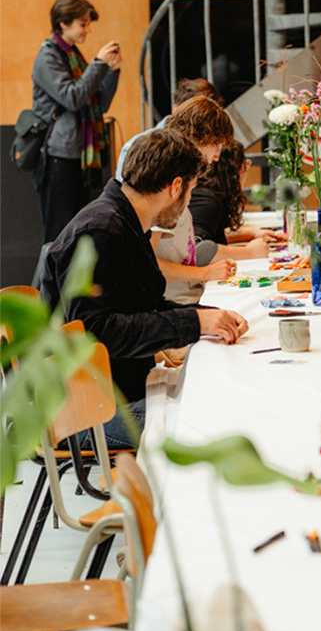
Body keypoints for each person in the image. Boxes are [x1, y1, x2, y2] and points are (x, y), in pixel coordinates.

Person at [38, 129, 249, 447]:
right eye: (190, 190)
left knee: (221, 396)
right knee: (214, 418)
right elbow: (95, 333)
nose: (189, 201)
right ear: (176, 187)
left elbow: (146, 305)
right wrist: (194, 322)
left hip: (117, 391)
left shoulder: (125, 222)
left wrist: (209, 317)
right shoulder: (100, 231)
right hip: (84, 411)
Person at [31, 0, 121, 243]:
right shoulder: (48, 57)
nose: (88, 30)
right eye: (83, 23)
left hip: (80, 159)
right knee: (58, 238)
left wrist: (111, 71)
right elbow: (72, 97)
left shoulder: (74, 57)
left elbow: (98, 105)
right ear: (63, 23)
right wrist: (98, 64)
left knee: (81, 237)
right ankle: (50, 284)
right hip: (58, 159)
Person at [152, 96, 239, 304]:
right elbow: (148, 264)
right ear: (198, 138)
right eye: (215, 146)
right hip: (175, 304)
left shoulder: (184, 180)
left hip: (192, 297)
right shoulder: (165, 184)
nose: (217, 157)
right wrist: (205, 273)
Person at [115, 77, 223, 183]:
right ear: (176, 110)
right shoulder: (134, 148)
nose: (206, 127)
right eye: (200, 118)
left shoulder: (212, 150)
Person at [189, 145, 275, 260]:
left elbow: (210, 235)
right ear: (233, 171)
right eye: (245, 166)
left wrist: (250, 232)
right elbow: (194, 250)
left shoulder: (209, 196)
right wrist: (248, 253)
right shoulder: (207, 202)